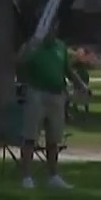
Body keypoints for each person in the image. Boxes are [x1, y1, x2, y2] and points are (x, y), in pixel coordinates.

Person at [15, 29, 73, 190]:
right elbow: (19, 63)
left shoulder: (60, 47)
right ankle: (26, 177)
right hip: (37, 94)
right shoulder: (33, 45)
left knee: (53, 139)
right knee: (30, 138)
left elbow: (67, 70)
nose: (51, 31)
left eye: (54, 27)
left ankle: (53, 177)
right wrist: (28, 49)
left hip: (57, 95)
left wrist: (80, 85)